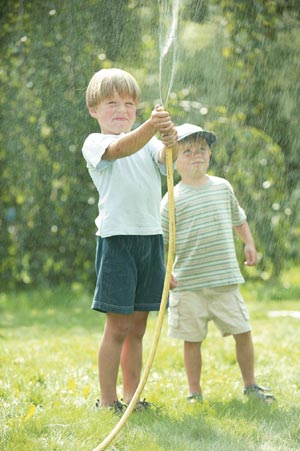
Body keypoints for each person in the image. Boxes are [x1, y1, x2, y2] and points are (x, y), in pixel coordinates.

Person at [82, 68, 178, 413]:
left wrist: (171, 138)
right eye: (111, 103)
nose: (121, 110)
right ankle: (107, 401)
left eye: (128, 103)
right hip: (118, 242)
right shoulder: (96, 143)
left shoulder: (148, 141)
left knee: (138, 326)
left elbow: (168, 159)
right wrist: (151, 127)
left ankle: (132, 397)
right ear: (94, 110)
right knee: (118, 325)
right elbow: (122, 148)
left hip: (149, 240)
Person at [160, 123, 275, 404]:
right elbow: (162, 242)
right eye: (187, 151)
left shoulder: (222, 187)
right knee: (192, 340)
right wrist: (164, 272)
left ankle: (250, 385)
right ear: (173, 163)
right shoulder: (171, 200)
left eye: (202, 149)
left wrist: (248, 242)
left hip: (224, 280)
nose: (196, 155)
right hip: (188, 284)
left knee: (243, 332)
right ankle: (194, 392)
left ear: (210, 154)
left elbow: (239, 219)